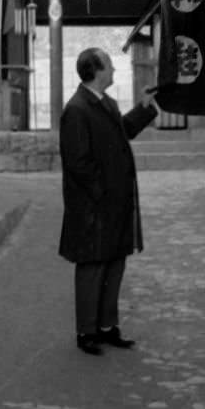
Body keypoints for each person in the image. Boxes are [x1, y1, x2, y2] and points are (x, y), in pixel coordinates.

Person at [59, 47, 158, 356]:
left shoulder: (107, 104)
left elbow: (123, 131)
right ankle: (86, 331)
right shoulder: (76, 109)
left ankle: (107, 326)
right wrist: (103, 192)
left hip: (114, 203)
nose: (114, 71)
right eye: (110, 66)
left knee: (114, 263)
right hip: (94, 206)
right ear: (96, 70)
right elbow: (78, 162)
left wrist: (144, 108)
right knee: (92, 267)